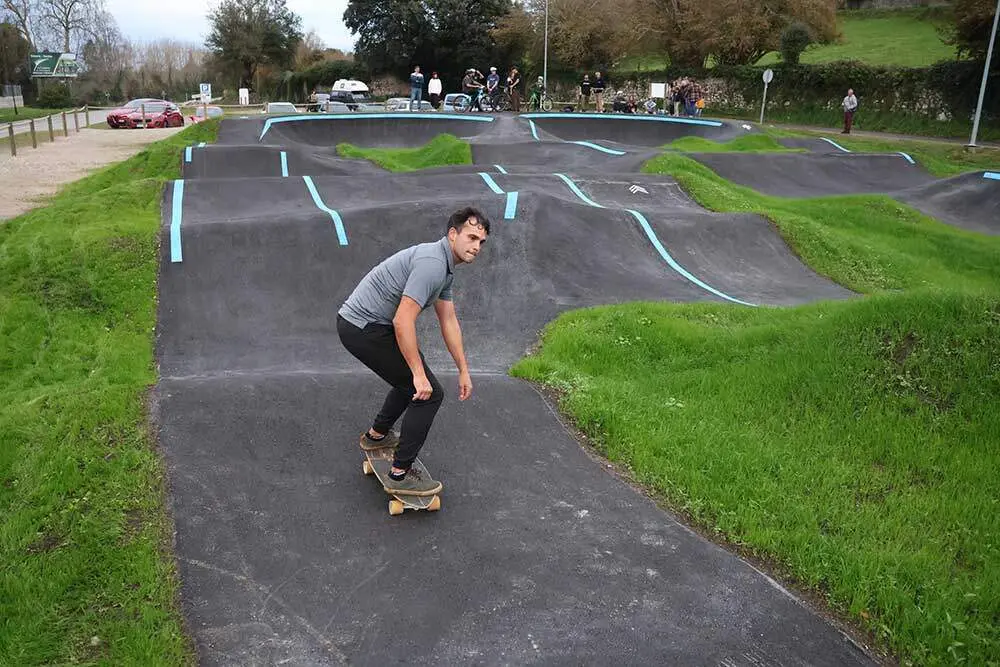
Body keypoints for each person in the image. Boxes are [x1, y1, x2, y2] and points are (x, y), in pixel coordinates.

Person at [337, 208, 491, 495]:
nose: (476, 247)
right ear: (452, 234)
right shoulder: (433, 264)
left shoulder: (445, 268)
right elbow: (402, 320)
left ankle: (376, 436)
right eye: (471, 237)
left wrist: (463, 370)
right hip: (361, 327)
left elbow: (448, 320)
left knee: (412, 380)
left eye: (481, 242)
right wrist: (419, 375)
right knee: (427, 392)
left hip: (369, 325)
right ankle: (400, 473)